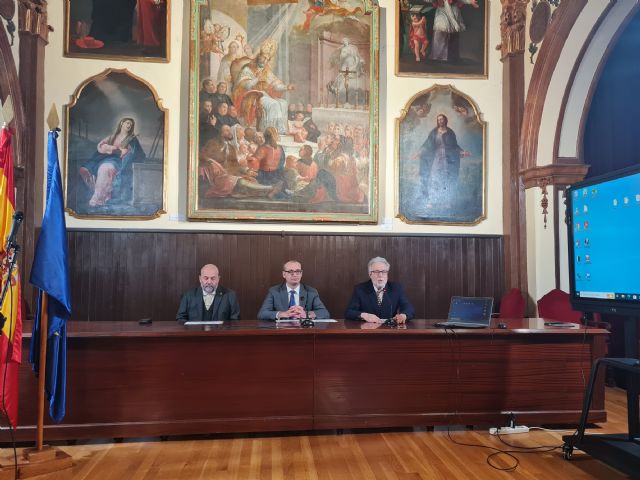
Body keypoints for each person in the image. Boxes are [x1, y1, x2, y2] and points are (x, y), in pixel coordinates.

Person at [79, 117, 145, 207]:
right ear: (122, 123)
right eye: (128, 123)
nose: (129, 125)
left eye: (131, 124)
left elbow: (137, 153)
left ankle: (99, 199)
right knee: (93, 169)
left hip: (120, 161)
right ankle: (102, 195)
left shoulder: (132, 139)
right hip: (105, 158)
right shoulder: (112, 137)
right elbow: (101, 146)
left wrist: (126, 152)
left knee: (105, 168)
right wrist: (112, 148)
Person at [233, 40, 295, 133]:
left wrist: (286, 87)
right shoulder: (248, 68)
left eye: (267, 59)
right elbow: (245, 85)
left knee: (283, 103)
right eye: (264, 58)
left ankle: (280, 130)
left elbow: (275, 85)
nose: (265, 61)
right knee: (273, 104)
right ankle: (268, 130)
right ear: (259, 56)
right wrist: (257, 79)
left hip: (264, 94)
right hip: (252, 95)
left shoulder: (267, 71)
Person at [414, 113, 469, 209]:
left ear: (445, 120)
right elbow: (427, 144)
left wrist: (462, 151)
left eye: (442, 119)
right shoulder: (434, 132)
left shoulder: (450, 132)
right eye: (439, 119)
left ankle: (446, 202)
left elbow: (455, 146)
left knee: (446, 179)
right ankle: (431, 200)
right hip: (436, 158)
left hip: (447, 159)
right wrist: (420, 152)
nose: (440, 121)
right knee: (434, 178)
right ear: (437, 121)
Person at [345, 257, 415, 324]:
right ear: (370, 274)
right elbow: (349, 312)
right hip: (368, 331)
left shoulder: (396, 288)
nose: (380, 275)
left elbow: (409, 308)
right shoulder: (360, 289)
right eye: (376, 272)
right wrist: (364, 315)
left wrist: (404, 315)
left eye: (384, 271)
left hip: (390, 330)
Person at [257, 260, 330, 320]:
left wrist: (306, 314)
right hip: (281, 331)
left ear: (301, 274)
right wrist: (283, 314)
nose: (295, 275)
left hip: (304, 331)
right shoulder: (274, 291)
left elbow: (324, 313)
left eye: (298, 271)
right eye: (291, 272)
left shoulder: (311, 292)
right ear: (284, 274)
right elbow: (262, 313)